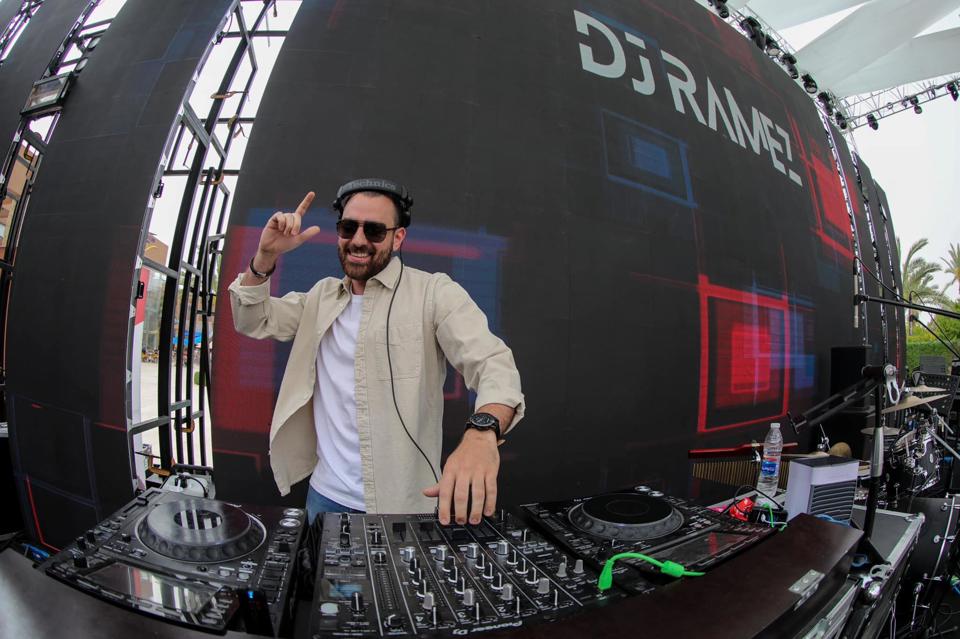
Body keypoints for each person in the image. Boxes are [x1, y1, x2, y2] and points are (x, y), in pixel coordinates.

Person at [228, 179, 524, 526]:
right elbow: (253, 318)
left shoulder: (434, 293)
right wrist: (265, 257)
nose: (358, 240)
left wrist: (481, 433)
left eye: (374, 231)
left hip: (402, 505)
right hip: (324, 496)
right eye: (348, 227)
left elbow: (493, 364)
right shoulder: (320, 297)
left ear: (398, 238)